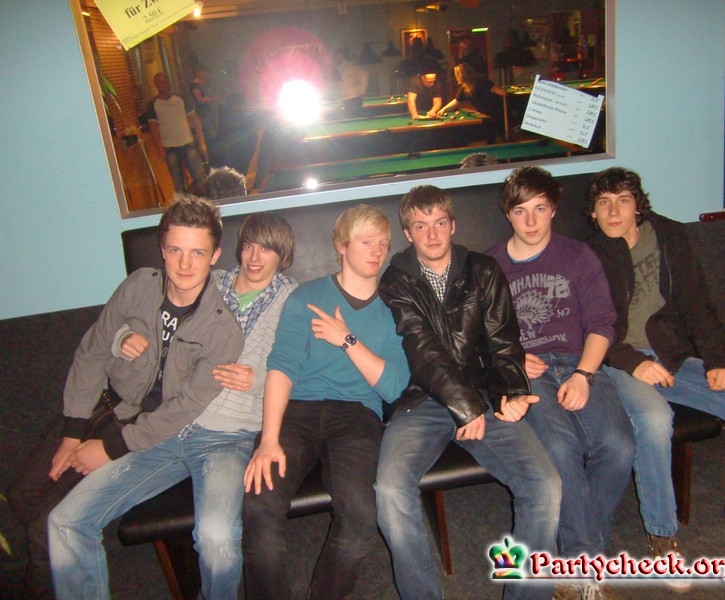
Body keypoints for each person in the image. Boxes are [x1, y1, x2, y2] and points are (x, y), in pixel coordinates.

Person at [46, 211, 296, 599]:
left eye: (267, 249)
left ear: (283, 254)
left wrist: (259, 381)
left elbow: (305, 368)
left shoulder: (294, 301)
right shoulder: (207, 279)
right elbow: (136, 325)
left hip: (226, 436)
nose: (255, 257)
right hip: (165, 425)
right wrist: (123, 336)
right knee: (65, 520)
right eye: (249, 245)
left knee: (216, 537)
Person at [7, 195, 243, 599]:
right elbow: (92, 351)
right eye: (175, 250)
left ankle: (44, 573)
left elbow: (183, 409)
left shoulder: (223, 330)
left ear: (215, 256)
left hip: (139, 430)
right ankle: (58, 564)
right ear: (162, 250)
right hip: (98, 406)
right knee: (22, 493)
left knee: (51, 525)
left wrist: (110, 448)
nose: (185, 265)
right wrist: (72, 431)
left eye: (198, 253)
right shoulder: (138, 286)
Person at [585, 168, 725, 566]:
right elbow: (588, 326)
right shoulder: (586, 255)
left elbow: (698, 304)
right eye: (604, 203)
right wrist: (634, 363)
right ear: (593, 213)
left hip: (670, 357)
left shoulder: (670, 238)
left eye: (623, 201)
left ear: (638, 207)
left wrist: (718, 360)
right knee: (654, 420)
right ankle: (661, 534)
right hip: (616, 363)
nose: (613, 212)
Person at [377, 184, 560, 600]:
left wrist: (512, 391)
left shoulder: (483, 269)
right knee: (389, 491)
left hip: (483, 396)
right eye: (420, 226)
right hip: (421, 400)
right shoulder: (396, 279)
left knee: (545, 485)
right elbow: (422, 350)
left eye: (440, 223)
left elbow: (504, 340)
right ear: (408, 233)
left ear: (453, 225)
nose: (432, 234)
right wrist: (465, 408)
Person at [241, 205, 410, 600]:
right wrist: (269, 439)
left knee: (361, 516)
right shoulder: (307, 297)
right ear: (341, 246)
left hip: (356, 415)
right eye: (366, 242)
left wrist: (346, 339)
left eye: (382, 243)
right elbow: (282, 366)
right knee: (260, 506)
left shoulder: (394, 309)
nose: (377, 251)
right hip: (297, 411)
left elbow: (393, 386)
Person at [486, 167, 634, 599]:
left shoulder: (577, 256)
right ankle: (585, 565)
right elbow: (480, 333)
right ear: (508, 214)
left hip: (578, 361)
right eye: (520, 211)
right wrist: (512, 357)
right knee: (561, 449)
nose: (531, 221)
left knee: (619, 445)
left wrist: (584, 375)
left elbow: (601, 323)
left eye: (540, 209)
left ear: (553, 209)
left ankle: (576, 555)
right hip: (527, 372)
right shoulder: (490, 266)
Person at [146, 72, 208, 194]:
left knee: (200, 180)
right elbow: (152, 129)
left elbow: (195, 121)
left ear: (168, 82)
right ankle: (183, 205)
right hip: (170, 148)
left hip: (188, 143)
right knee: (178, 185)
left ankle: (206, 202)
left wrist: (201, 142)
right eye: (159, 82)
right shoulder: (152, 105)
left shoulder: (181, 99)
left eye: (164, 81)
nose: (162, 84)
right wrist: (159, 149)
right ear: (155, 84)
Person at [438, 63, 506, 142]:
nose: (456, 77)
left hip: (497, 113)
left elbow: (496, 90)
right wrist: (443, 109)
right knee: (491, 136)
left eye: (457, 74)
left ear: (462, 74)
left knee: (503, 136)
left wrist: (502, 92)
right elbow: (456, 101)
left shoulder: (481, 80)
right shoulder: (465, 87)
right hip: (485, 115)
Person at [189, 66, 221, 152]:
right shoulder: (194, 86)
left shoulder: (199, 86)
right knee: (210, 137)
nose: (206, 80)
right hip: (202, 115)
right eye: (204, 77)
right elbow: (200, 99)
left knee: (210, 136)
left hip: (205, 114)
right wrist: (214, 99)